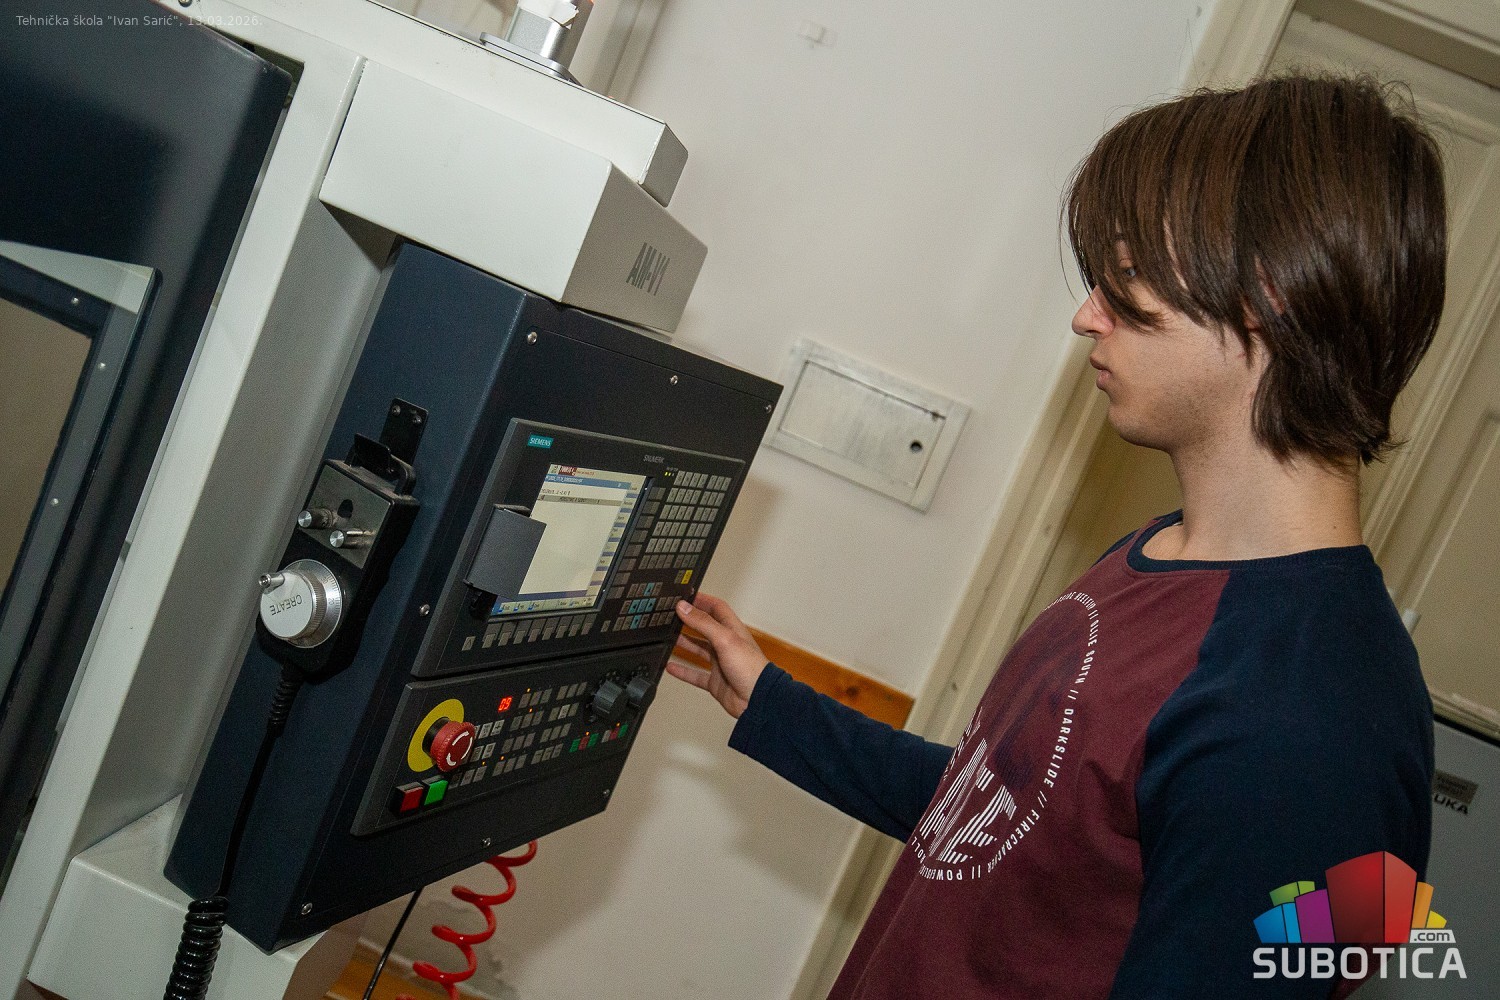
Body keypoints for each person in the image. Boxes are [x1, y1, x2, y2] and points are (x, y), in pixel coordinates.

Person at [666, 74, 1445, 999]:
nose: (1087, 314)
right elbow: (1013, 823)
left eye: (1127, 277)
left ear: (1266, 294)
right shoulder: (1163, 556)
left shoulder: (1309, 724)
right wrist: (774, 704)